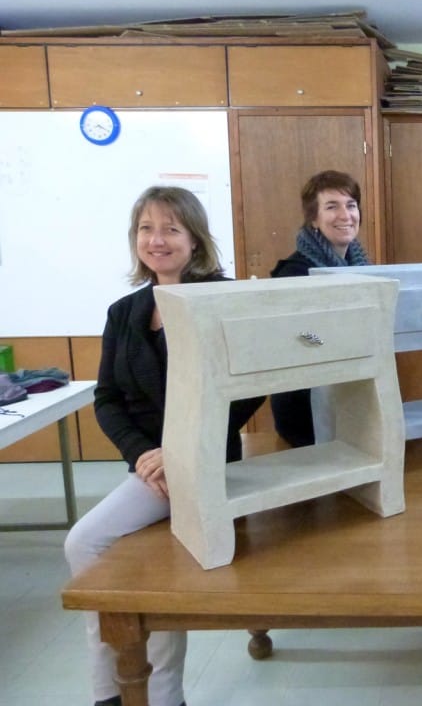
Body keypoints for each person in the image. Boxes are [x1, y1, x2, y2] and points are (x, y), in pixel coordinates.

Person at [64, 186, 264, 706]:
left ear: (195, 240)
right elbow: (107, 398)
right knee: (116, 563)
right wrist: (143, 455)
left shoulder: (222, 299)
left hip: (204, 463)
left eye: (171, 229)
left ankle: (150, 694)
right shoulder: (124, 312)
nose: (157, 240)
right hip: (151, 468)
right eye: (146, 229)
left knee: (85, 542)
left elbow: (249, 389)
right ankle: (114, 691)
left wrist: (178, 450)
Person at [269, 170, 372, 447]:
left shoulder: (361, 268)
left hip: (348, 399)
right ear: (313, 218)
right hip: (307, 413)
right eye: (332, 206)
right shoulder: (295, 272)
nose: (345, 215)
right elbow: (298, 341)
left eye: (351, 205)